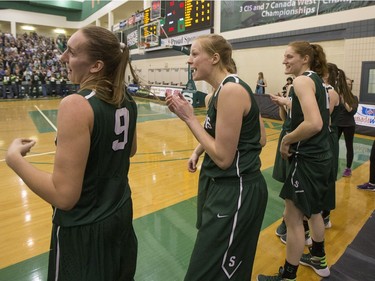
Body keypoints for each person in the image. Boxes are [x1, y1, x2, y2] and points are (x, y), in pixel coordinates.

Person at [6, 25, 138, 281]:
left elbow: (64, 196)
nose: (62, 57)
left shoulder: (76, 104)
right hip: (120, 217)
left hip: (83, 230)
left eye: (71, 52)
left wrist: (14, 160)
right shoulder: (125, 98)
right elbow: (130, 150)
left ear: (96, 66)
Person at [166, 34, 268, 281]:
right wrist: (198, 151)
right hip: (222, 188)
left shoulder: (232, 90)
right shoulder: (217, 93)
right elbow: (258, 136)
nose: (189, 61)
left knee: (210, 273)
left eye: (194, 54)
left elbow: (223, 158)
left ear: (214, 58)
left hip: (238, 190)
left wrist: (189, 118)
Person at [257, 41, 332, 281]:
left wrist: (286, 140)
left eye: (289, 56)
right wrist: (287, 103)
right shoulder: (316, 80)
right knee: (315, 212)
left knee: (293, 220)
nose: (284, 61)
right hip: (321, 156)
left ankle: (288, 276)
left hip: (306, 159)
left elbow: (314, 123)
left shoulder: (300, 81)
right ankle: (318, 258)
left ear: (305, 59)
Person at [337, 76, 358, 177]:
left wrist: (343, 99)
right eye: (346, 84)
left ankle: (348, 168)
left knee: (349, 147)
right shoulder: (337, 95)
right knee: (332, 145)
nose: (348, 86)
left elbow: (351, 111)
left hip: (349, 125)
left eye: (350, 84)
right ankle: (331, 164)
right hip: (337, 124)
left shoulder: (354, 98)